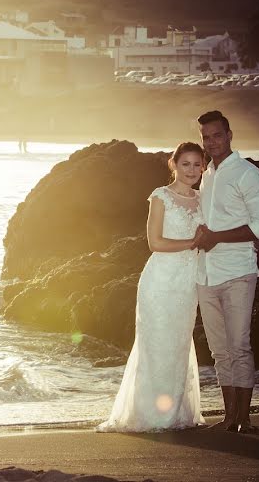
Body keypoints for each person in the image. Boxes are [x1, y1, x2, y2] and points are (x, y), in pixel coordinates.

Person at [98, 142, 206, 432]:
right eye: (186, 164)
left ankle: (175, 413)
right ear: (174, 164)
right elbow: (155, 242)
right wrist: (193, 243)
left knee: (179, 345)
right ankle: (150, 416)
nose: (192, 170)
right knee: (156, 344)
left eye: (197, 164)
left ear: (203, 167)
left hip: (187, 284)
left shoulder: (203, 199)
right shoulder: (161, 197)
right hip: (159, 281)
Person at [195, 111, 259, 433]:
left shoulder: (248, 174)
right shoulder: (206, 173)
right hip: (205, 275)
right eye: (206, 136)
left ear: (229, 134)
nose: (212, 142)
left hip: (238, 272)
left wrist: (216, 237)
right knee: (219, 350)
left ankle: (246, 418)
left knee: (239, 346)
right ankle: (229, 417)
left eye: (217, 135)